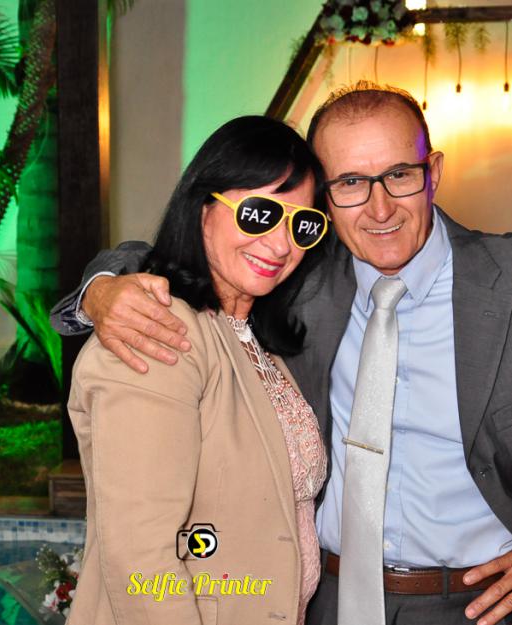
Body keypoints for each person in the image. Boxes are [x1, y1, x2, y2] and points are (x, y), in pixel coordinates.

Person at [51, 82, 512, 625]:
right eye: (350, 183)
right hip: (322, 602)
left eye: (399, 175)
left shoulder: (501, 282)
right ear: (329, 198)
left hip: (473, 604)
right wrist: (104, 287)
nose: (380, 207)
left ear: (432, 172)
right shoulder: (299, 281)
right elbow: (175, 257)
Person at [63, 115, 331, 625]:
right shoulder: (158, 332)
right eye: (259, 214)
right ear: (203, 208)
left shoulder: (253, 335)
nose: (281, 244)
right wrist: (99, 287)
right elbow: (141, 559)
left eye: (303, 225)